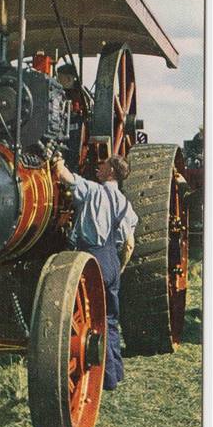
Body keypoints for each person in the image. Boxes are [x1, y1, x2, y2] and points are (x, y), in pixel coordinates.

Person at [52, 153, 138, 391]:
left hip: (92, 257)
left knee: (93, 320)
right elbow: (129, 243)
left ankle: (106, 380)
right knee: (110, 319)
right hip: (112, 260)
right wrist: (118, 268)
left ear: (111, 171)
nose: (99, 167)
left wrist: (56, 158)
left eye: (104, 165)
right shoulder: (125, 204)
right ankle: (117, 373)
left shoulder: (93, 190)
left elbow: (66, 177)